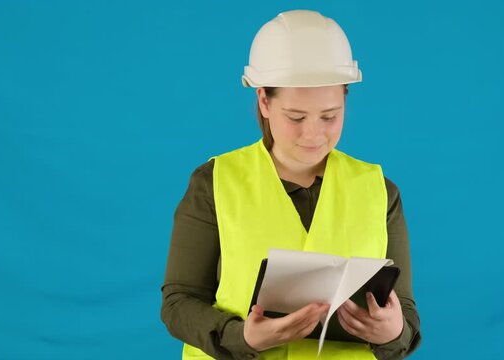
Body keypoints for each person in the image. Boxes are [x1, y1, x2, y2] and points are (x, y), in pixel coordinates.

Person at [161, 9, 421, 359]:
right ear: (265, 101)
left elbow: (404, 318)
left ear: (346, 98)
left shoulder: (379, 191)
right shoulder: (214, 182)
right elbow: (179, 303)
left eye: (330, 116)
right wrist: (242, 338)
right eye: (296, 117)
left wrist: (393, 332)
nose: (313, 134)